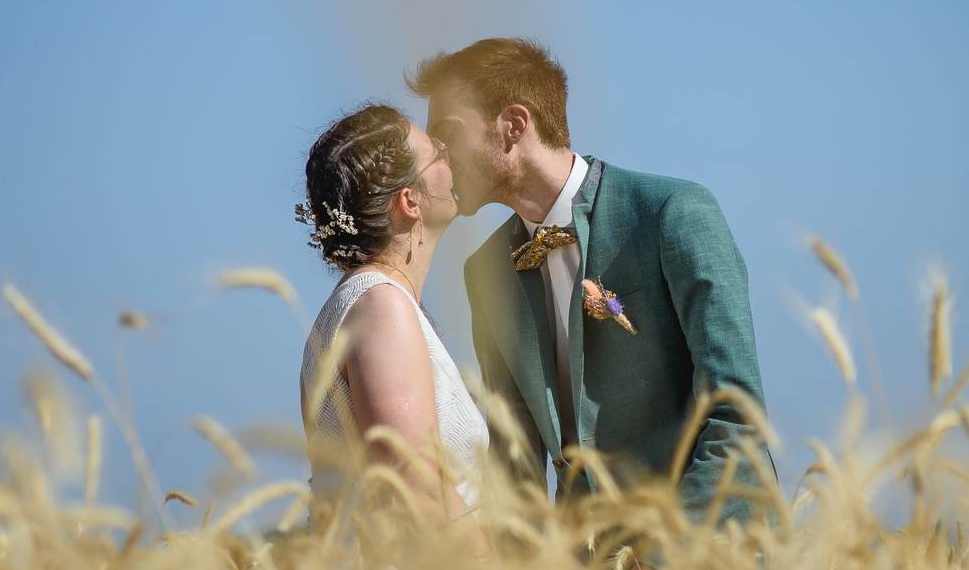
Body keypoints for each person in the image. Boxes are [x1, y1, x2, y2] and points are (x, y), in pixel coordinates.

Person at [407, 37, 774, 536]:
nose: (440, 164)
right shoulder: (485, 271)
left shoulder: (674, 215)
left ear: (512, 126)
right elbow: (517, 461)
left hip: (712, 565)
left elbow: (739, 421)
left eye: (448, 138)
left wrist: (654, 562)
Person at [296, 103, 488, 524]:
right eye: (436, 152)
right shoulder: (380, 307)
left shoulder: (368, 302)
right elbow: (414, 488)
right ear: (410, 201)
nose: (449, 155)